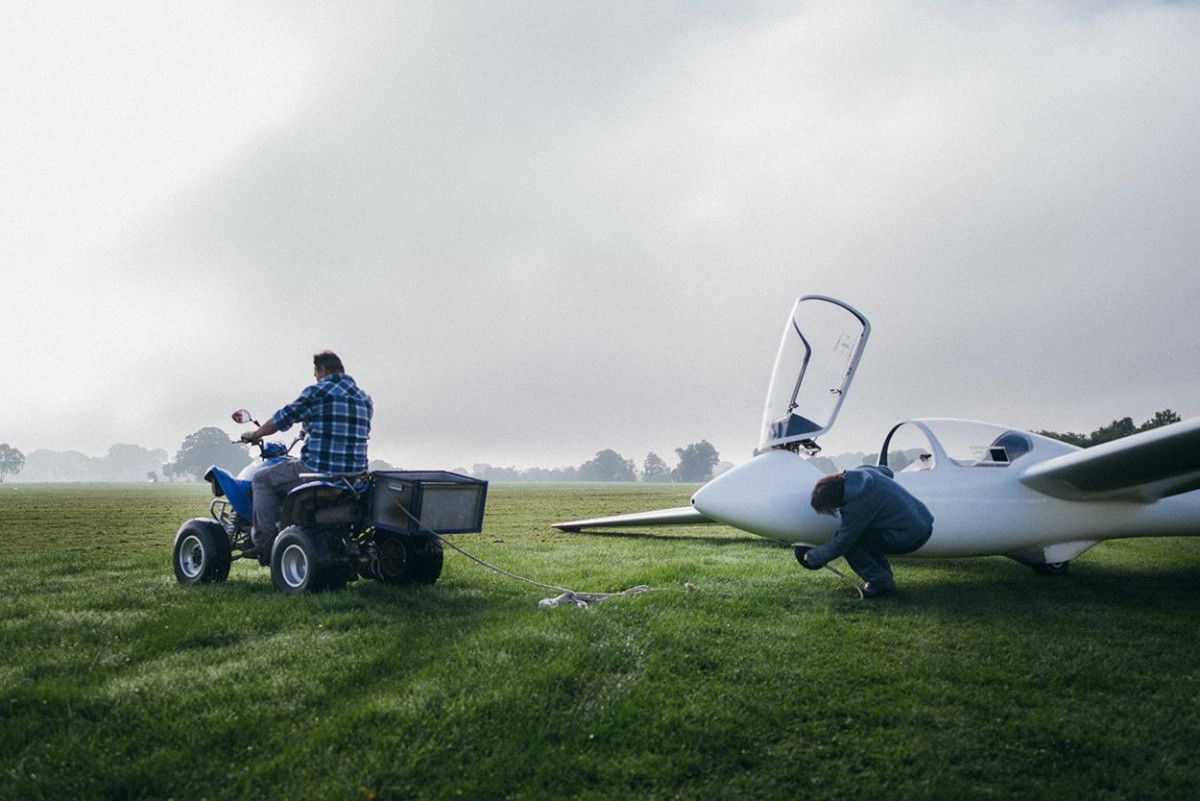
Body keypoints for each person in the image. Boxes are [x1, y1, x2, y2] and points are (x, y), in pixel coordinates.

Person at [240, 350, 373, 558]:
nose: (316, 378)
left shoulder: (317, 392)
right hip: (354, 477)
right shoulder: (364, 398)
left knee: (261, 479)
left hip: (318, 470)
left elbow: (281, 419)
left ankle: (264, 542)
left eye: (316, 374)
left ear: (322, 370)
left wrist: (255, 434)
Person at [796, 465, 933, 598]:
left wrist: (813, 557)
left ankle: (880, 583)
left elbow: (842, 543)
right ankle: (883, 579)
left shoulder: (856, 507)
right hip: (924, 521)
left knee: (853, 543)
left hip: (910, 536)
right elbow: (887, 471)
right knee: (866, 537)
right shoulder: (864, 472)